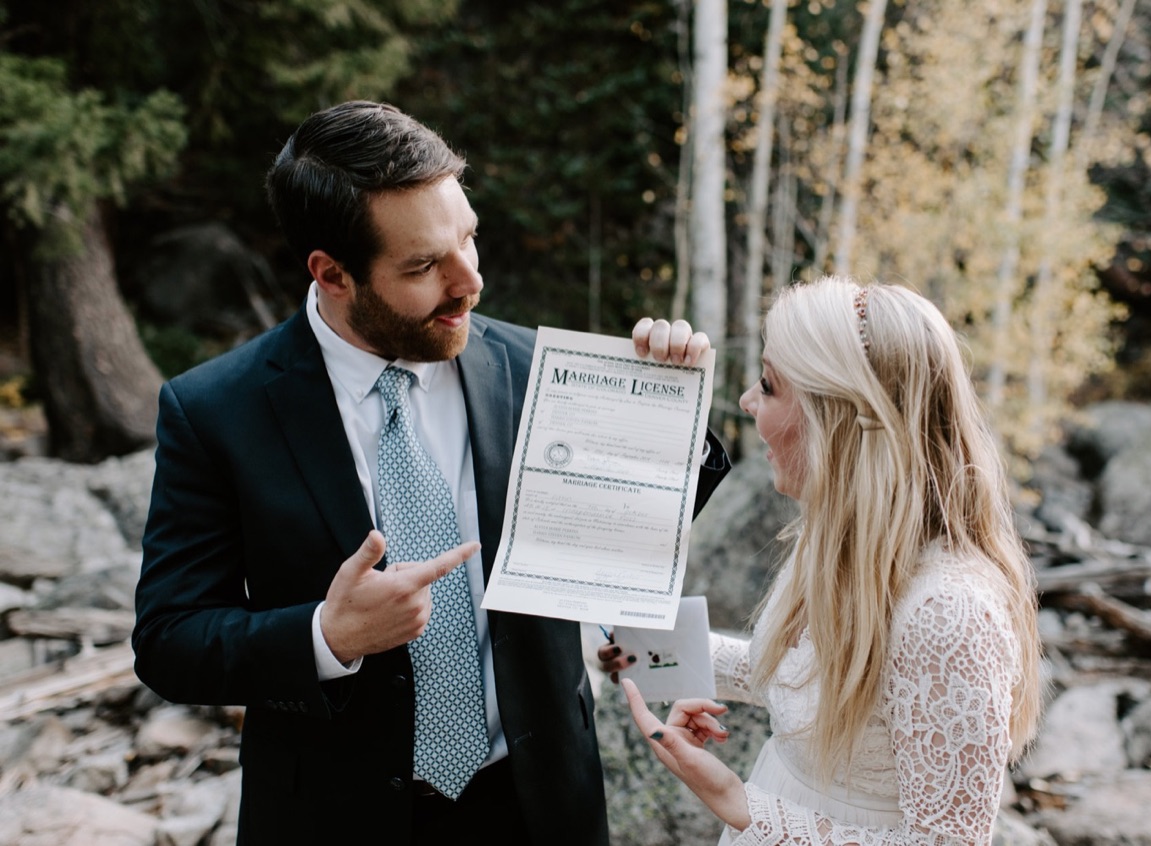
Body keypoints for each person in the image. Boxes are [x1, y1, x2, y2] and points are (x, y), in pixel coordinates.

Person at [132, 100, 730, 846]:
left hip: (540, 805)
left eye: (469, 239)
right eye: (423, 266)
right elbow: (169, 639)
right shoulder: (213, 410)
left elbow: (618, 546)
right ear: (333, 274)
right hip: (331, 817)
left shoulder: (534, 369)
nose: (469, 282)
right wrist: (328, 634)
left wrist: (670, 407)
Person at [600, 277, 1043, 845]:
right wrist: (635, 649)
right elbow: (815, 678)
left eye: (769, 385)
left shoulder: (950, 613)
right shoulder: (844, 539)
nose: (747, 402)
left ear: (836, 419)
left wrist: (737, 802)